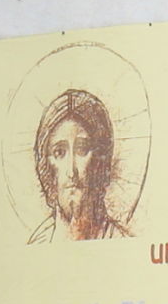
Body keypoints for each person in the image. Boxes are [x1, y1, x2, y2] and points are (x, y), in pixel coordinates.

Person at [34, 90, 128, 239]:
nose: (71, 171)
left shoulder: (119, 240)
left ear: (100, 160)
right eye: (59, 152)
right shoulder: (38, 244)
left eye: (82, 149)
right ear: (46, 165)